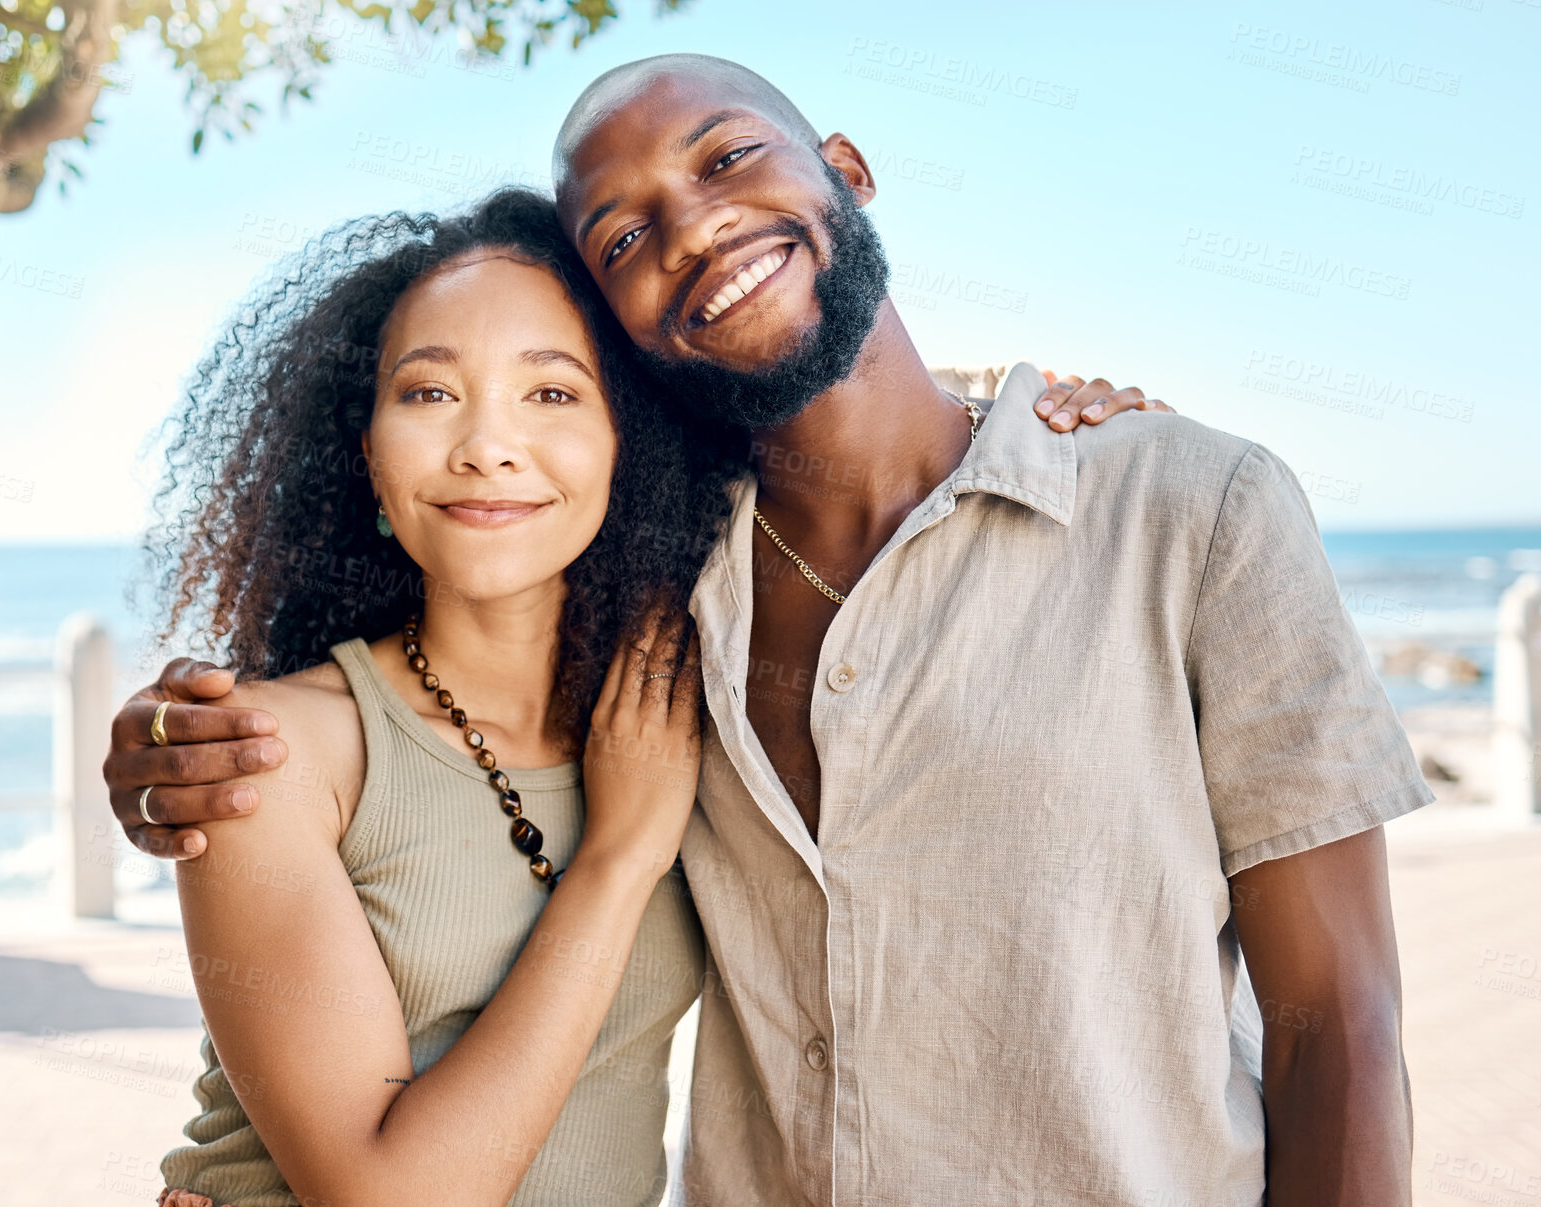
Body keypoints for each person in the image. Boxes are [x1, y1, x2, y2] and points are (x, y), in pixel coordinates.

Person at [106, 54, 1429, 1205]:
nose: (692, 229)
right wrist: (166, 737)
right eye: (622, 238)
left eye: (729, 157)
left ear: (845, 170)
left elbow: (1338, 1023)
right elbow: (436, 635)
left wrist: (1025, 409)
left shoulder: (1190, 507)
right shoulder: (656, 592)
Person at [143, 192, 735, 1207]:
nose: (486, 446)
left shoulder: (683, 701)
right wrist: (620, 855)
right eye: (428, 394)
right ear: (365, 456)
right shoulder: (269, 753)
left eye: (551, 393)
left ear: (629, 441)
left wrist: (1038, 411)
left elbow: (865, 460)